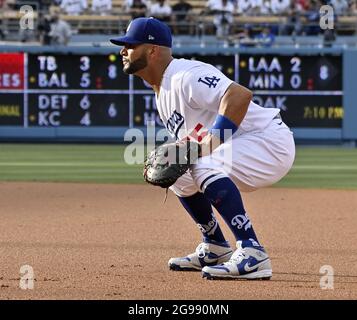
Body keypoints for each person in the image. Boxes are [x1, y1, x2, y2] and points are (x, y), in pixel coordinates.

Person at [110, 17, 295, 280]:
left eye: (130, 45)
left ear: (152, 50)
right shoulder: (162, 92)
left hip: (268, 140)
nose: (123, 51)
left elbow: (239, 95)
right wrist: (195, 147)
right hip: (244, 144)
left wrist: (210, 143)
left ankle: (252, 251)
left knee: (203, 162)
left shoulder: (185, 75)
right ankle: (216, 245)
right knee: (178, 169)